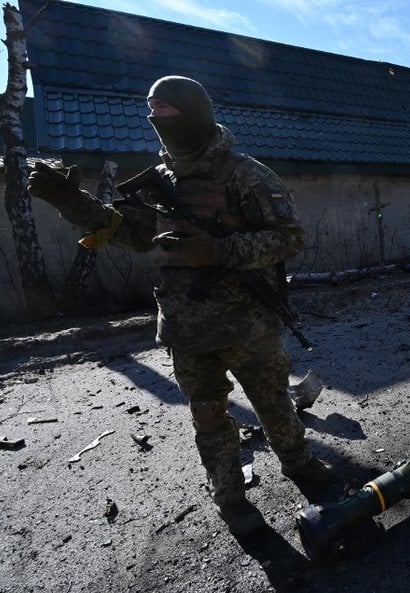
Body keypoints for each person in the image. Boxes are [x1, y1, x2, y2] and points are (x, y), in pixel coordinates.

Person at [27, 75, 331, 536]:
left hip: (247, 326)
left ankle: (299, 463)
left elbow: (290, 238)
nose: (153, 116)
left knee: (272, 403)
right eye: (149, 109)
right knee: (208, 416)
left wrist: (218, 251)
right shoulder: (162, 180)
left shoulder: (246, 174)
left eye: (163, 108)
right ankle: (229, 494)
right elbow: (129, 234)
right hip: (186, 330)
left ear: (192, 112)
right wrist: (69, 201)